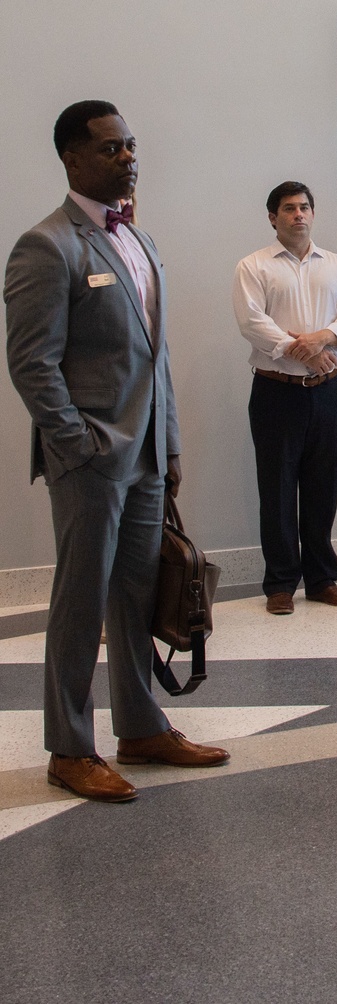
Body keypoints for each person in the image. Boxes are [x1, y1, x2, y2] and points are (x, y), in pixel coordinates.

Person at [4, 101, 230, 803]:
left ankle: (141, 726)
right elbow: (31, 363)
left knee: (134, 594)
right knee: (80, 602)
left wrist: (170, 444)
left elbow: (154, 355)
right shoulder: (47, 246)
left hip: (146, 457)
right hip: (93, 461)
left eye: (130, 145)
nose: (128, 157)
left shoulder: (140, 240)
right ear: (72, 159)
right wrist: (78, 445)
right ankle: (70, 747)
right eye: (110, 149)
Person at [233, 180, 337, 615]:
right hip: (276, 391)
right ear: (273, 217)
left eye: (305, 207)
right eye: (288, 208)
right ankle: (281, 584)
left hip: (327, 392)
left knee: (323, 489)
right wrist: (298, 349)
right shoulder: (253, 266)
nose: (298, 215)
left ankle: (323, 579)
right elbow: (252, 321)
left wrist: (321, 339)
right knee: (278, 489)